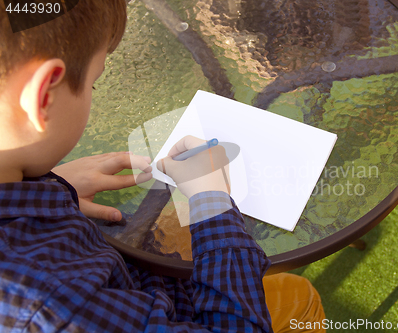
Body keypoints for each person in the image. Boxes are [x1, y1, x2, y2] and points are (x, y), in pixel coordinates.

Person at [0, 0, 325, 332]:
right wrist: (210, 198)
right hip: (177, 311)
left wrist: (52, 182)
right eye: (93, 83)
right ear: (44, 96)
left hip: (143, 280)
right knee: (300, 296)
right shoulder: (52, 307)